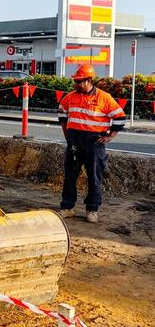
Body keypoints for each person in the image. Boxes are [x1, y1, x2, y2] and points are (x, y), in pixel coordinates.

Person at [58, 64, 126, 223]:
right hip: (74, 142)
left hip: (94, 144)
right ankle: (67, 207)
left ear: (89, 80)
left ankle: (92, 209)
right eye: (75, 81)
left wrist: (110, 137)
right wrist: (67, 135)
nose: (76, 84)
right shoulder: (70, 97)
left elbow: (120, 118)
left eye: (79, 81)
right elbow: (62, 113)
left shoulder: (104, 98)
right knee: (70, 176)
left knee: (94, 177)